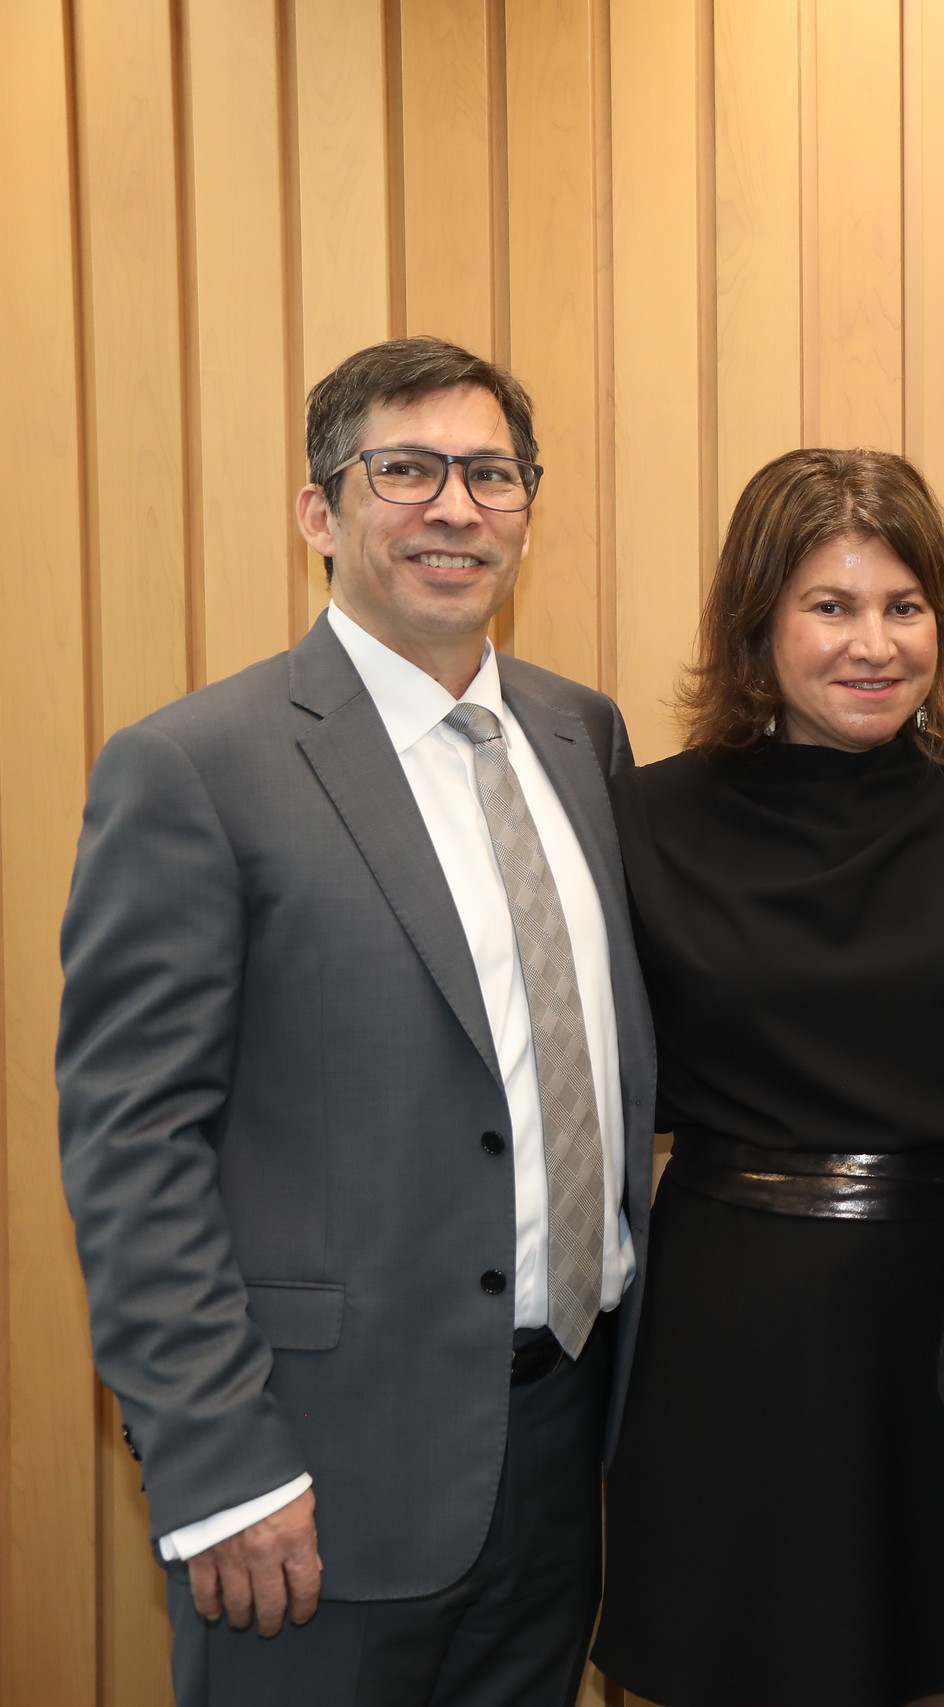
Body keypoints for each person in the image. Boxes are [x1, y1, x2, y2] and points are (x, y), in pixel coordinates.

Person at [57, 336, 655, 1705]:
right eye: (408, 469)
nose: (456, 507)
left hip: (561, 1447)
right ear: (321, 510)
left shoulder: (583, 737)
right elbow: (131, 1141)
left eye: (491, 474)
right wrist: (217, 1461)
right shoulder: (195, 767)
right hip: (311, 1476)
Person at [590, 449, 944, 1707]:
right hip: (740, 1332)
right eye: (831, 606)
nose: (873, 644)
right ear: (755, 620)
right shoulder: (642, 819)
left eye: (904, 606)